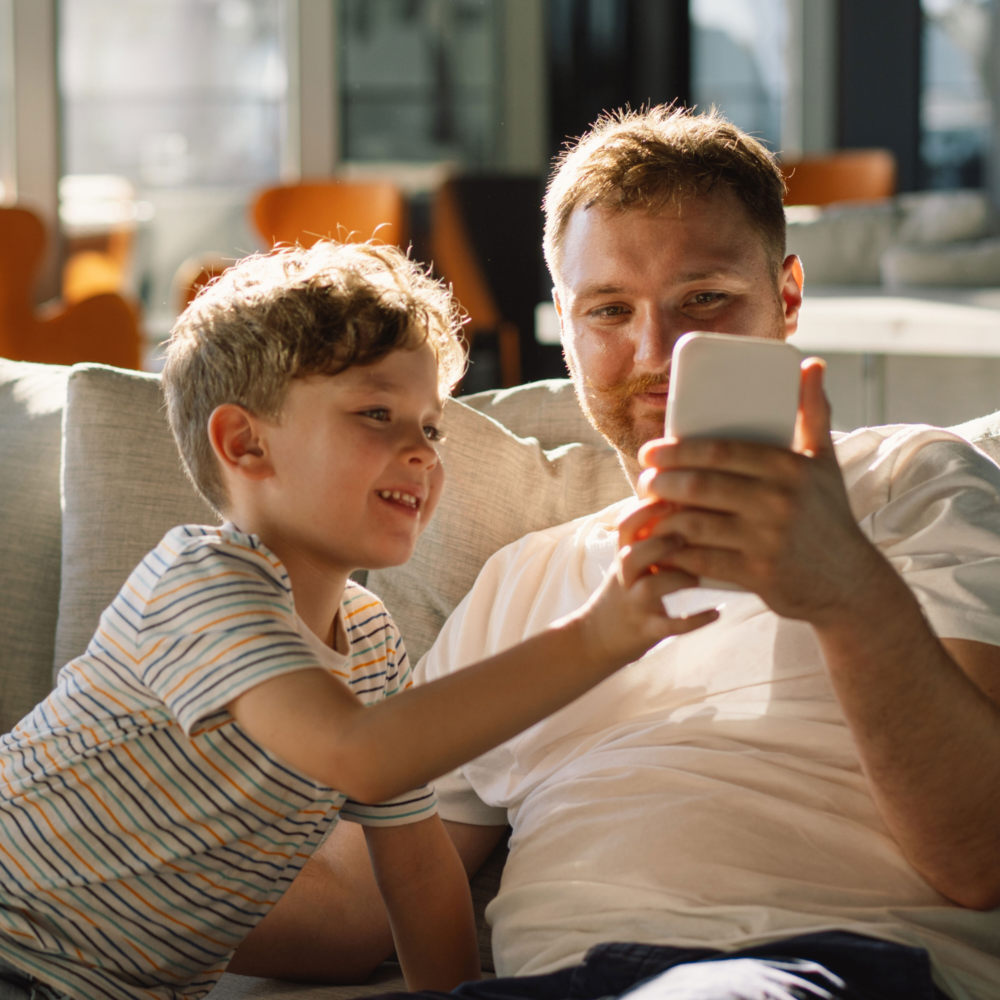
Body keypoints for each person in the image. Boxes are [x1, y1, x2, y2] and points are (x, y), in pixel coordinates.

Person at [235, 109, 1000, 999]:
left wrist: (845, 589)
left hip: (806, 971)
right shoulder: (521, 580)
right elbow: (358, 902)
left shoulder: (916, 483)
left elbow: (980, 856)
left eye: (704, 299)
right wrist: (57, 883)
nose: (656, 353)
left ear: (787, 296)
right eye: (609, 310)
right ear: (564, 321)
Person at [0, 241, 720, 1000]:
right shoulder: (198, 587)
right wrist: (597, 636)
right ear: (245, 443)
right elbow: (362, 754)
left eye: (432, 427)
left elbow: (416, 872)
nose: (421, 454)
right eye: (377, 414)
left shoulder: (370, 641)